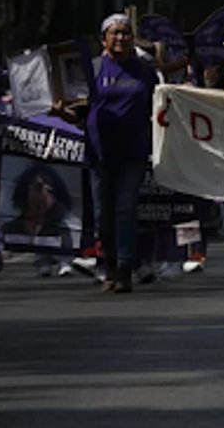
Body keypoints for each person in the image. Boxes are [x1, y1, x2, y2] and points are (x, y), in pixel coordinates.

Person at [55, 15, 156, 293]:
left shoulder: (145, 72)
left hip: (133, 152)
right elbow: (78, 112)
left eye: (125, 33)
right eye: (114, 34)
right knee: (103, 214)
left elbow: (162, 109)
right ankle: (109, 265)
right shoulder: (92, 70)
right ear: (103, 39)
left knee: (125, 210)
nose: (120, 38)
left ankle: (125, 268)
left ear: (132, 39)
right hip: (99, 153)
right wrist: (62, 112)